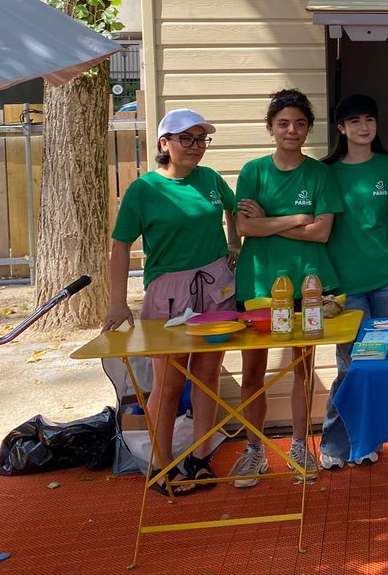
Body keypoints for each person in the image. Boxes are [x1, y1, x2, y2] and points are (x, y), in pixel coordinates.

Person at [104, 109, 238, 495]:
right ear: (165, 143)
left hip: (217, 288)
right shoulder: (144, 190)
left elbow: (233, 209)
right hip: (169, 294)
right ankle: (161, 466)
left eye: (201, 140)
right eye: (187, 139)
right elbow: (120, 245)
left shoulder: (210, 179)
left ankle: (198, 457)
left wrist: (234, 243)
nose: (196, 147)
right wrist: (117, 301)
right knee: (167, 382)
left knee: (208, 375)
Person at [230, 89, 342, 487]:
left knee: (303, 368)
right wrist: (296, 216)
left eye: (299, 123)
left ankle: (299, 446)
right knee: (252, 371)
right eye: (283, 124)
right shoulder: (253, 172)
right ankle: (254, 450)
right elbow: (244, 228)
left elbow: (322, 232)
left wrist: (270, 222)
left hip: (306, 284)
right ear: (270, 128)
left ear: (308, 128)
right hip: (258, 282)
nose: (291, 130)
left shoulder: (319, 174)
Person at [319, 93, 388, 470]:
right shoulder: (325, 171)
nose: (363, 127)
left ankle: (371, 440)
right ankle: (337, 444)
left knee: (384, 361)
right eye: (354, 121)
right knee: (349, 366)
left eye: (370, 119)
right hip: (345, 284)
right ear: (341, 128)